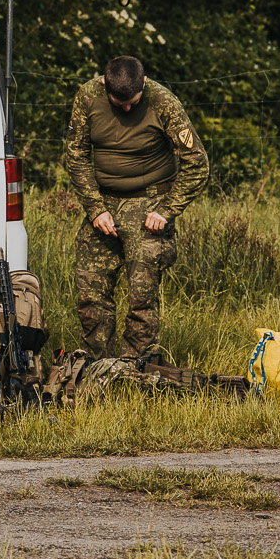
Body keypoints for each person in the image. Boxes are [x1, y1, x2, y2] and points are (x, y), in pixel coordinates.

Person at [63, 56, 209, 366]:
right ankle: (95, 364)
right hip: (103, 202)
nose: (127, 109)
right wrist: (94, 208)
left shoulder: (163, 102)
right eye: (120, 103)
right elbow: (75, 156)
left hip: (150, 202)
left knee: (141, 294)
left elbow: (197, 163)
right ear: (105, 85)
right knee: (90, 288)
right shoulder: (88, 97)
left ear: (143, 84)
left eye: (133, 102)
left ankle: (138, 365)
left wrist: (167, 210)